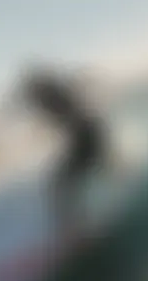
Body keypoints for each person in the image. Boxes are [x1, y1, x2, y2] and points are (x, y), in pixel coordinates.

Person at [19, 64, 108, 243]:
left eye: (31, 96)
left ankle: (80, 228)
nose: (31, 102)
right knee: (60, 185)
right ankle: (78, 226)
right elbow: (78, 85)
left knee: (60, 185)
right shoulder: (52, 96)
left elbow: (77, 89)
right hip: (87, 138)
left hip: (88, 140)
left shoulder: (52, 95)